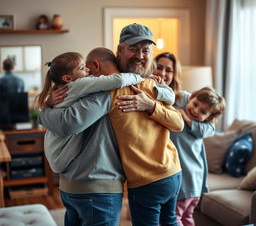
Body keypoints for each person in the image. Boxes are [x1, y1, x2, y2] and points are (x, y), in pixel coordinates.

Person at [39, 23, 184, 226]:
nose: (140, 55)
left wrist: (151, 105)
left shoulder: (150, 85)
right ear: (120, 51)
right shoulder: (110, 89)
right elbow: (68, 122)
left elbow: (179, 122)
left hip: (165, 172)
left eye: (146, 50)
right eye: (133, 49)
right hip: (128, 181)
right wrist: (45, 108)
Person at [169, 87, 225, 226]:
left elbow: (209, 130)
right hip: (194, 184)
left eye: (203, 112)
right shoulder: (183, 99)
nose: (195, 110)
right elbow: (181, 96)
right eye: (195, 104)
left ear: (209, 118)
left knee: (174, 217)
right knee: (187, 217)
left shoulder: (204, 127)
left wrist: (186, 118)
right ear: (191, 98)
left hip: (188, 183)